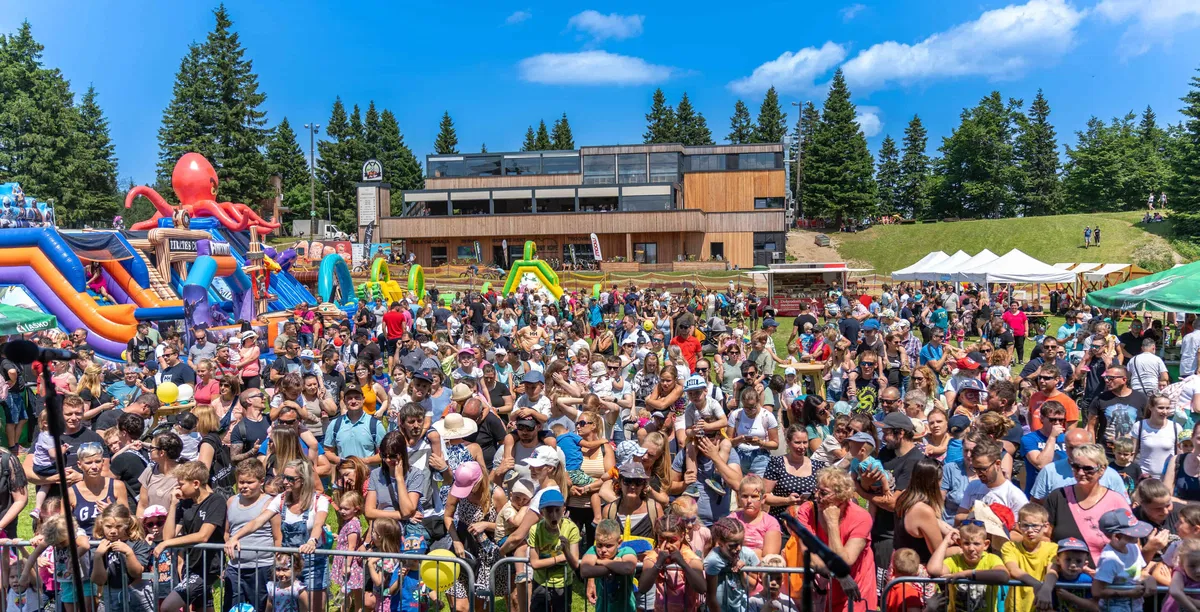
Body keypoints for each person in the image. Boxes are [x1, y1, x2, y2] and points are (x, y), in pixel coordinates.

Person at [225, 460, 331, 612]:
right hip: (289, 565)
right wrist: (235, 537)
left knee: (314, 608)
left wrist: (312, 541)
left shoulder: (319, 501)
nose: (285, 482)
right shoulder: (281, 499)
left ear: (303, 479)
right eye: (284, 477)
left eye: (291, 479)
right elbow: (258, 521)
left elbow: (318, 524)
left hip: (313, 564)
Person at [790, 466, 877, 611]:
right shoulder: (807, 511)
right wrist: (841, 576)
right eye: (816, 489)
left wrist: (832, 523)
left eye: (823, 493)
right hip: (826, 589)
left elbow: (845, 560)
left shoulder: (861, 517)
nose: (816, 495)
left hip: (856, 588)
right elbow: (811, 557)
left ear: (841, 496)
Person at [156, 460, 228, 612]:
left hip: (207, 569)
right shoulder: (185, 504)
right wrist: (173, 505)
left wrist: (166, 544)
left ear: (195, 483)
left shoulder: (216, 501)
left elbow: (203, 536)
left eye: (181, 484)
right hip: (190, 566)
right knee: (202, 609)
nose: (177, 488)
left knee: (167, 606)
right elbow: (168, 536)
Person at [1046, 444, 1134, 565]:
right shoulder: (1058, 497)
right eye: (1076, 467)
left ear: (1102, 469)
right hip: (1066, 572)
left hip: (1105, 572)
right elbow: (1045, 538)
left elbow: (1132, 543)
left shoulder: (1116, 501)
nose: (1081, 473)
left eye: (1088, 469)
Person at [927, 522, 1009, 611]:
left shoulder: (991, 559)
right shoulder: (955, 561)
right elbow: (933, 570)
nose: (971, 548)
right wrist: (945, 542)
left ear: (985, 545)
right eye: (966, 543)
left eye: (976, 544)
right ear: (959, 543)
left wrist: (966, 574)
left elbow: (1003, 576)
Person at [528, 489, 581, 612]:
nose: (553, 515)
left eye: (557, 510)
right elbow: (535, 563)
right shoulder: (535, 530)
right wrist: (560, 558)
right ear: (541, 512)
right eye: (549, 511)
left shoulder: (571, 529)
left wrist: (566, 550)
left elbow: (575, 564)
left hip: (563, 583)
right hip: (541, 582)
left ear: (564, 509)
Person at [1093, 508, 1154, 611]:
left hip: (1135, 607)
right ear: (1117, 536)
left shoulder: (1133, 547)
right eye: (1132, 532)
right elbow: (1097, 591)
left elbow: (1140, 571)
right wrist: (1127, 593)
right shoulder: (1109, 559)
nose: (1137, 534)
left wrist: (1149, 578)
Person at [1001, 503, 1058, 612]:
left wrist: (1046, 589)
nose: (1030, 530)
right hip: (1015, 607)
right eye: (1025, 525)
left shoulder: (1052, 548)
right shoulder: (1010, 546)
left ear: (1045, 527)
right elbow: (1013, 569)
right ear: (1019, 526)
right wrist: (1037, 585)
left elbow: (1052, 571)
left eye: (1035, 526)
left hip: (1041, 606)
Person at [579, 518, 638, 612]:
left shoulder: (627, 551)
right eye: (599, 545)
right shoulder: (593, 550)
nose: (603, 550)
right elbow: (584, 570)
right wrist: (616, 566)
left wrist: (603, 562)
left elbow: (628, 568)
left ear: (619, 543)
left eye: (608, 546)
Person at [704, 517, 759, 612]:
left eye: (741, 543)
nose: (739, 548)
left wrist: (741, 572)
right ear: (720, 543)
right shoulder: (713, 560)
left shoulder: (748, 554)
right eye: (733, 545)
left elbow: (752, 586)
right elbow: (711, 597)